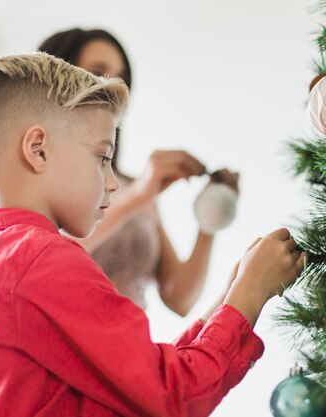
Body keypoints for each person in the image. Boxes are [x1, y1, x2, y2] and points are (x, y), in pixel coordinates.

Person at [0, 52, 307, 416]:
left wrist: (231, 298)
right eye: (102, 157)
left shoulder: (1, 259)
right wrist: (250, 296)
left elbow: (145, 377)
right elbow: (173, 395)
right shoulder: (43, 260)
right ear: (38, 150)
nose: (113, 181)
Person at [38, 28, 238, 314]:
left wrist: (211, 215)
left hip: (131, 354)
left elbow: (179, 297)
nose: (115, 87)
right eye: (97, 72)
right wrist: (137, 197)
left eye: (123, 78)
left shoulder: (136, 186)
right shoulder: (38, 176)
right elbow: (41, 261)